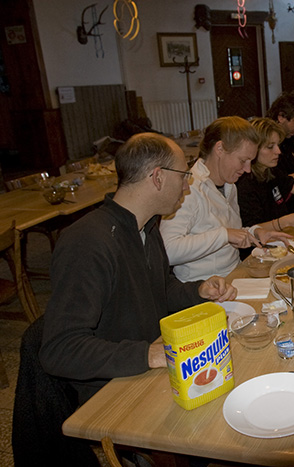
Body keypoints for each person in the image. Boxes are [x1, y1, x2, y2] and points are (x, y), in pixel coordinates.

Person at [39, 132, 237, 407]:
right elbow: (60, 350)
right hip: (114, 388)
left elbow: (159, 289)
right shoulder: (87, 242)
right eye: (183, 176)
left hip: (148, 366)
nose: (186, 187)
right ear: (158, 177)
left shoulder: (145, 227)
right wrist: (150, 355)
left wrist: (198, 290)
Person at [160, 117, 291, 282]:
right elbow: (168, 250)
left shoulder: (229, 185)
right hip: (204, 288)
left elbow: (226, 230)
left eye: (251, 161)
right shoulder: (189, 189)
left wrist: (254, 233)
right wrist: (224, 235)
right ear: (220, 149)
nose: (247, 169)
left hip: (234, 274)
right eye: (243, 160)